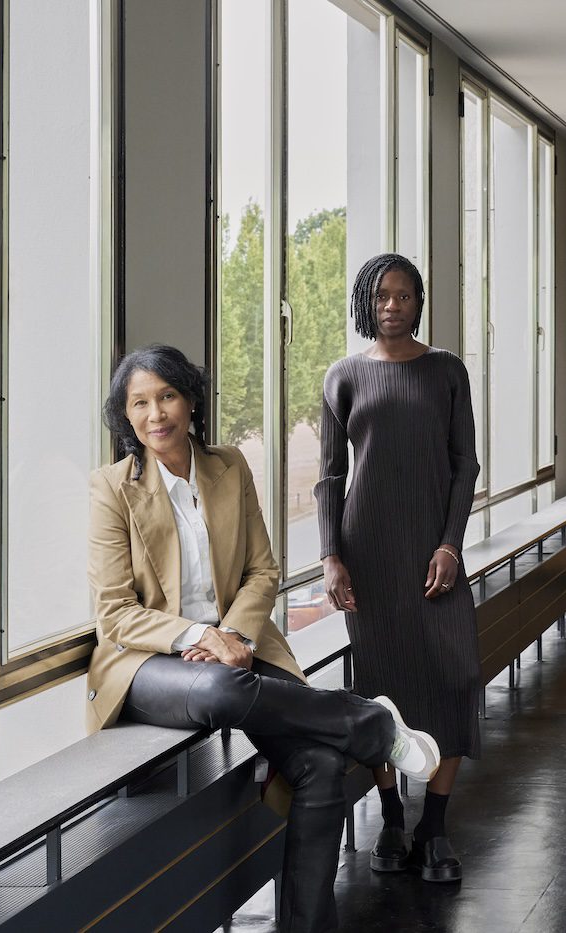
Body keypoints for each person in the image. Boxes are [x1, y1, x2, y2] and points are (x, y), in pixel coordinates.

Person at [87, 344, 440, 933]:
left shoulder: (228, 467)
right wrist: (200, 634)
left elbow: (262, 571)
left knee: (322, 767)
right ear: (126, 416)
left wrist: (230, 634)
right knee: (222, 692)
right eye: (139, 403)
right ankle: (370, 722)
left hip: (240, 646)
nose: (156, 415)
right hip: (148, 662)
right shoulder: (112, 488)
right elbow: (115, 614)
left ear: (191, 399)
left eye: (167, 396)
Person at [315, 253, 482, 884]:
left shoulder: (446, 372)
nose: (393, 305)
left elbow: (465, 466)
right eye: (382, 295)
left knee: (455, 676)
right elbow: (331, 477)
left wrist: (450, 545)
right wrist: (331, 556)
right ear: (367, 301)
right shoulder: (344, 376)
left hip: (433, 552)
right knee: (381, 689)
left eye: (405, 295)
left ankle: (434, 825)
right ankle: (390, 817)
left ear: (419, 301)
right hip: (369, 556)